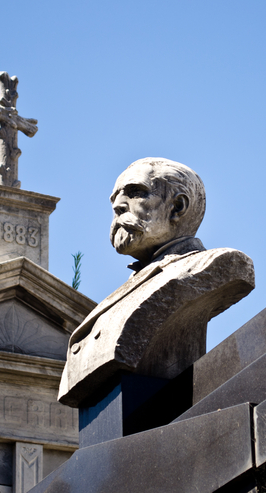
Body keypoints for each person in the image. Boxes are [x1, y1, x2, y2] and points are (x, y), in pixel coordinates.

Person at [58, 158, 254, 407]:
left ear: (177, 207)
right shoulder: (129, 286)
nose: (118, 205)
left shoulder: (214, 265)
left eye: (135, 193)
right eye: (115, 198)